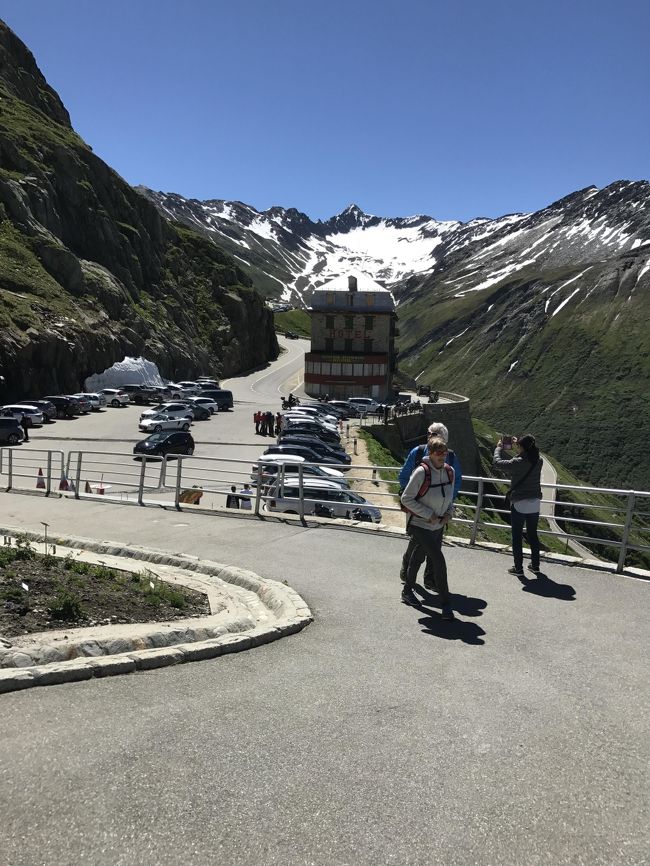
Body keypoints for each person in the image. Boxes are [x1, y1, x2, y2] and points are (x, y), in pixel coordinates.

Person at [398, 423, 462, 588]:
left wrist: (446, 506)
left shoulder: (450, 458)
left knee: (435, 545)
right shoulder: (418, 452)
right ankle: (408, 576)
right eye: (428, 433)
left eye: (432, 433)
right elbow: (404, 478)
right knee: (417, 544)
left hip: (440, 513)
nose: (428, 435)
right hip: (419, 512)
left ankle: (429, 580)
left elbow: (455, 485)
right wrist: (418, 498)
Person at [401, 438, 456, 619]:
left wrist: (449, 513)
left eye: (445, 452)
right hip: (420, 524)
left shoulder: (450, 472)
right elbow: (406, 498)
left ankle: (407, 591)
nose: (442, 456)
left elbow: (450, 498)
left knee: (418, 557)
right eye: (438, 452)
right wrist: (428, 514)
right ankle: (446, 605)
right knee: (438, 560)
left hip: (438, 525)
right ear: (430, 454)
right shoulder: (421, 473)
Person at [493, 433, 543, 577]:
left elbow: (497, 463)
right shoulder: (538, 461)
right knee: (533, 535)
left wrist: (498, 448)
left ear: (522, 447)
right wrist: (520, 444)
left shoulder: (518, 462)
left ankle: (518, 568)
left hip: (520, 503)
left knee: (517, 536)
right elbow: (530, 453)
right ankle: (535, 565)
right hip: (535, 503)